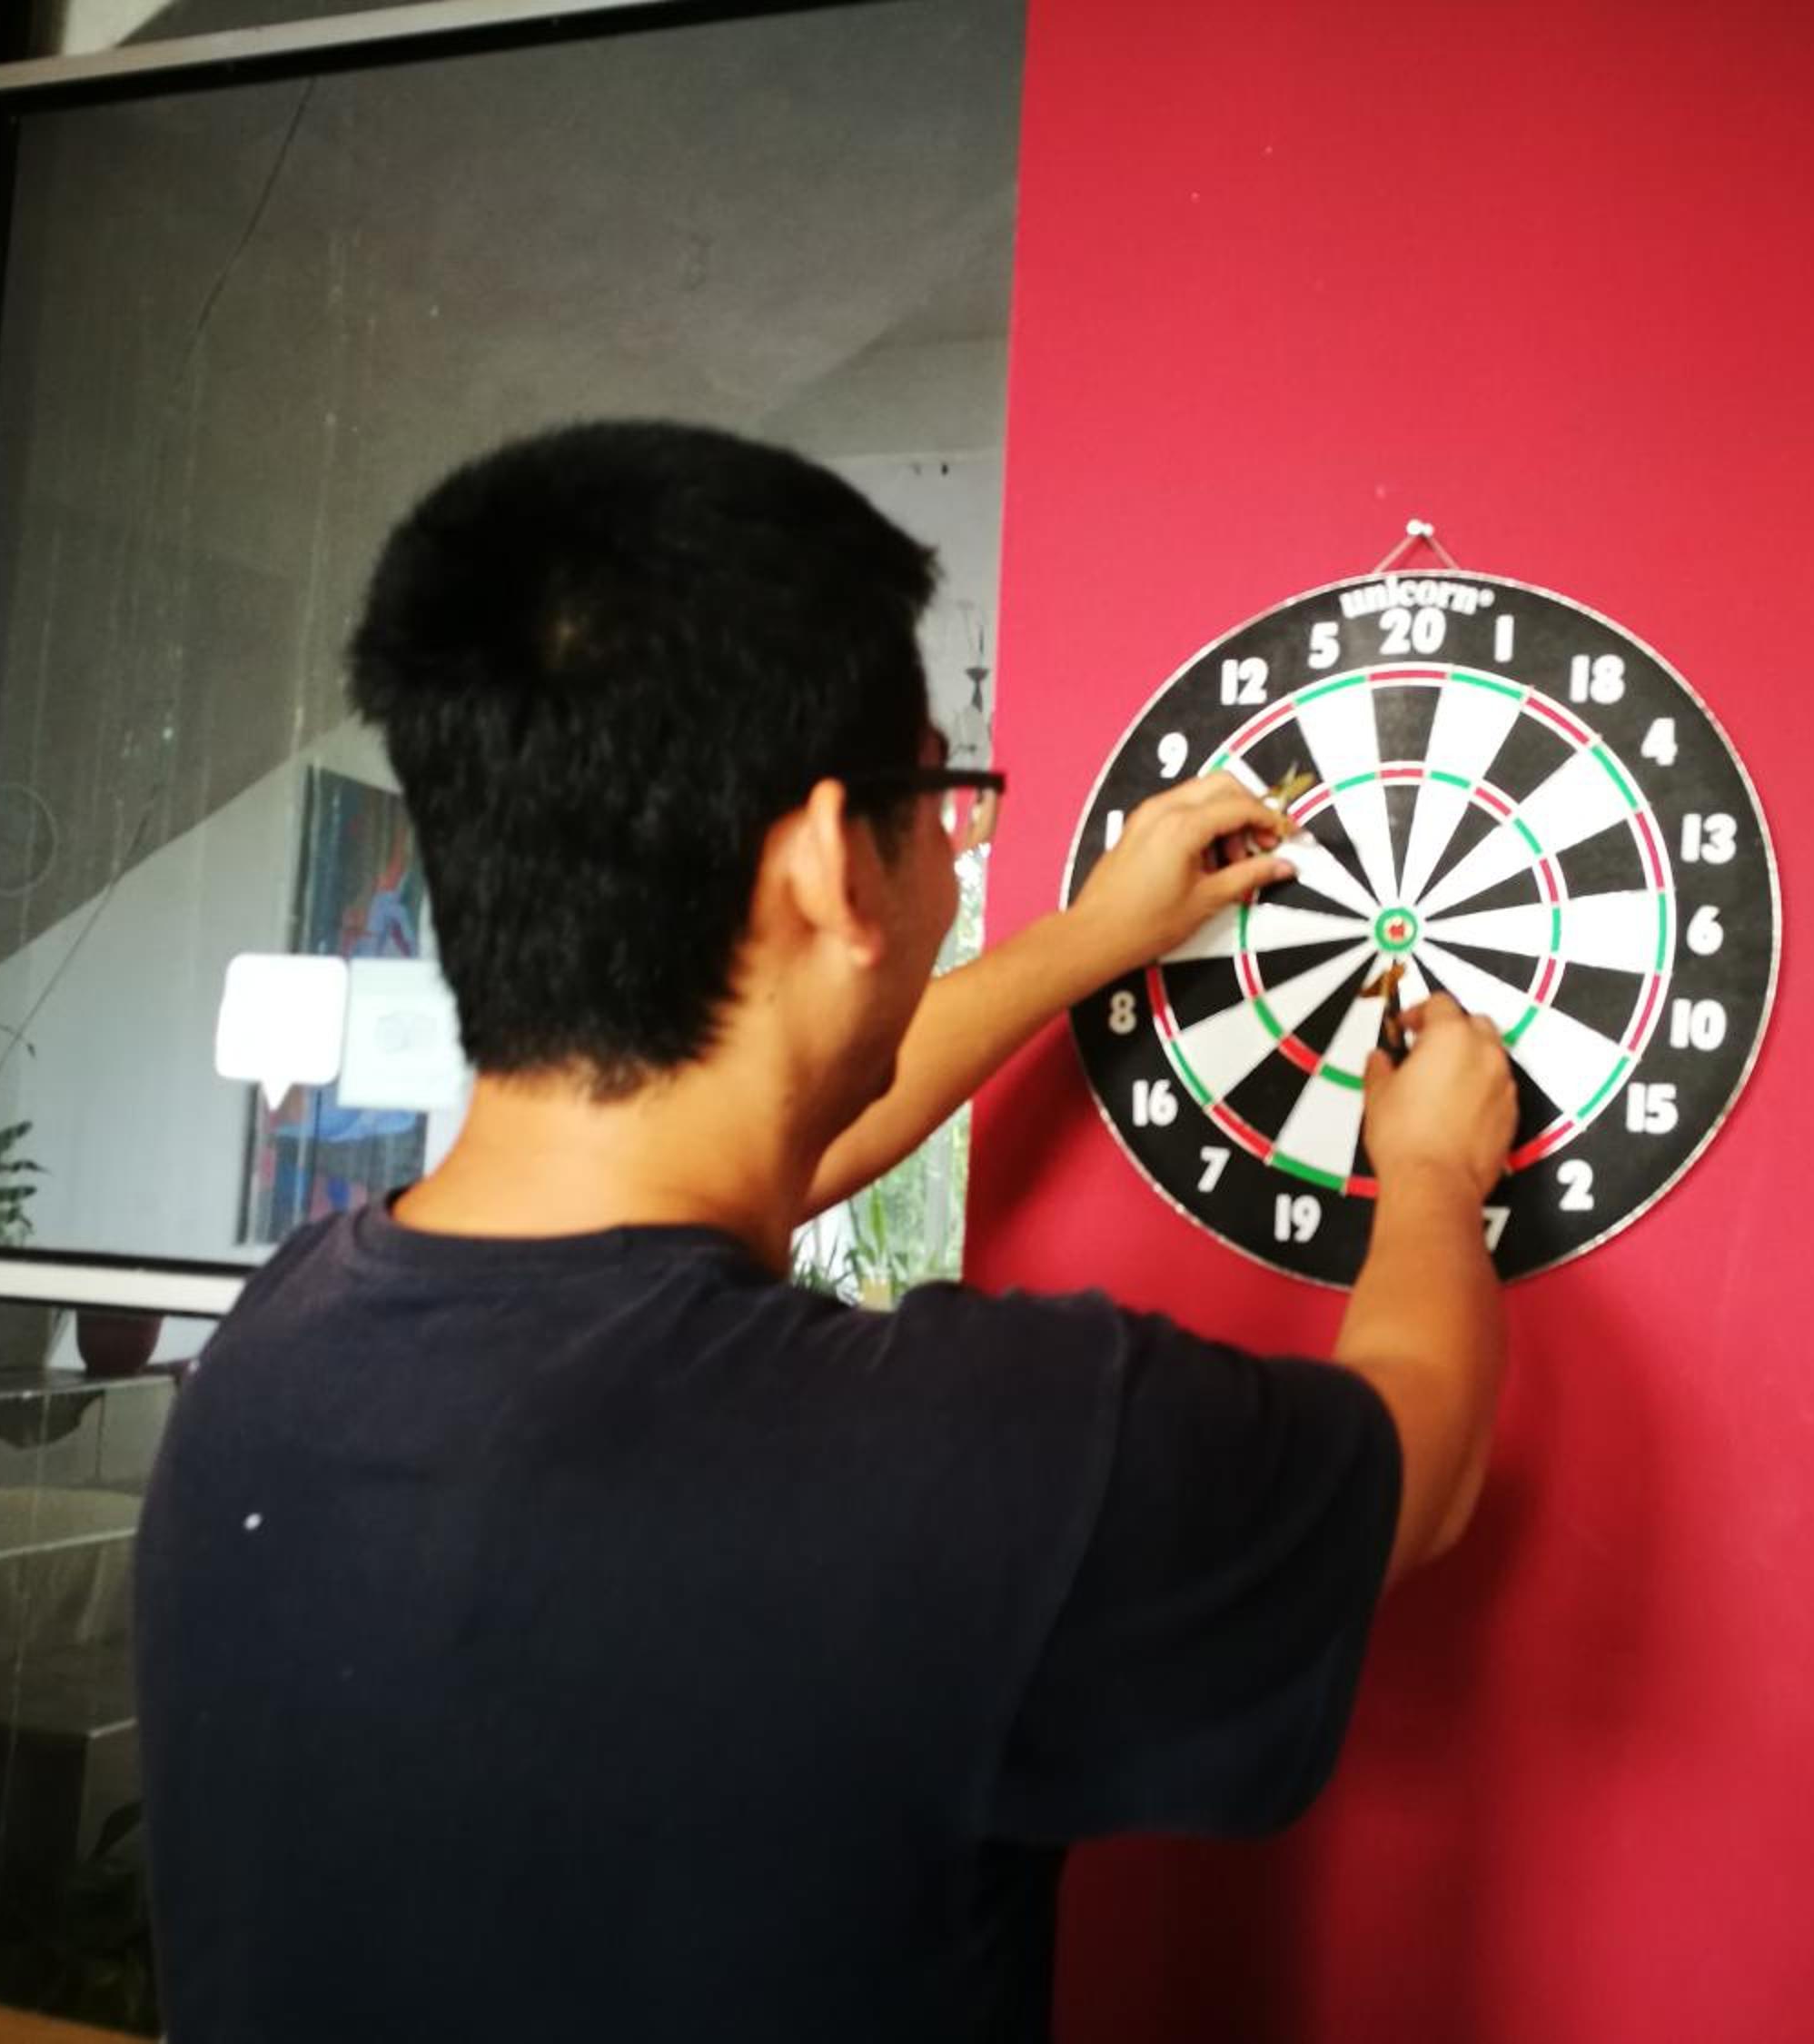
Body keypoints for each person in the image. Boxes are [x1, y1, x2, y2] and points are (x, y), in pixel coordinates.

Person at [132, 422, 1517, 2043]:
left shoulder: (272, 1352)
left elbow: (769, 1149)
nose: (958, 842)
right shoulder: (972, 1459)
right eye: (938, 793)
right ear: (824, 865)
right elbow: (1420, 1458)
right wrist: (1434, 1171)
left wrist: (1092, 938)